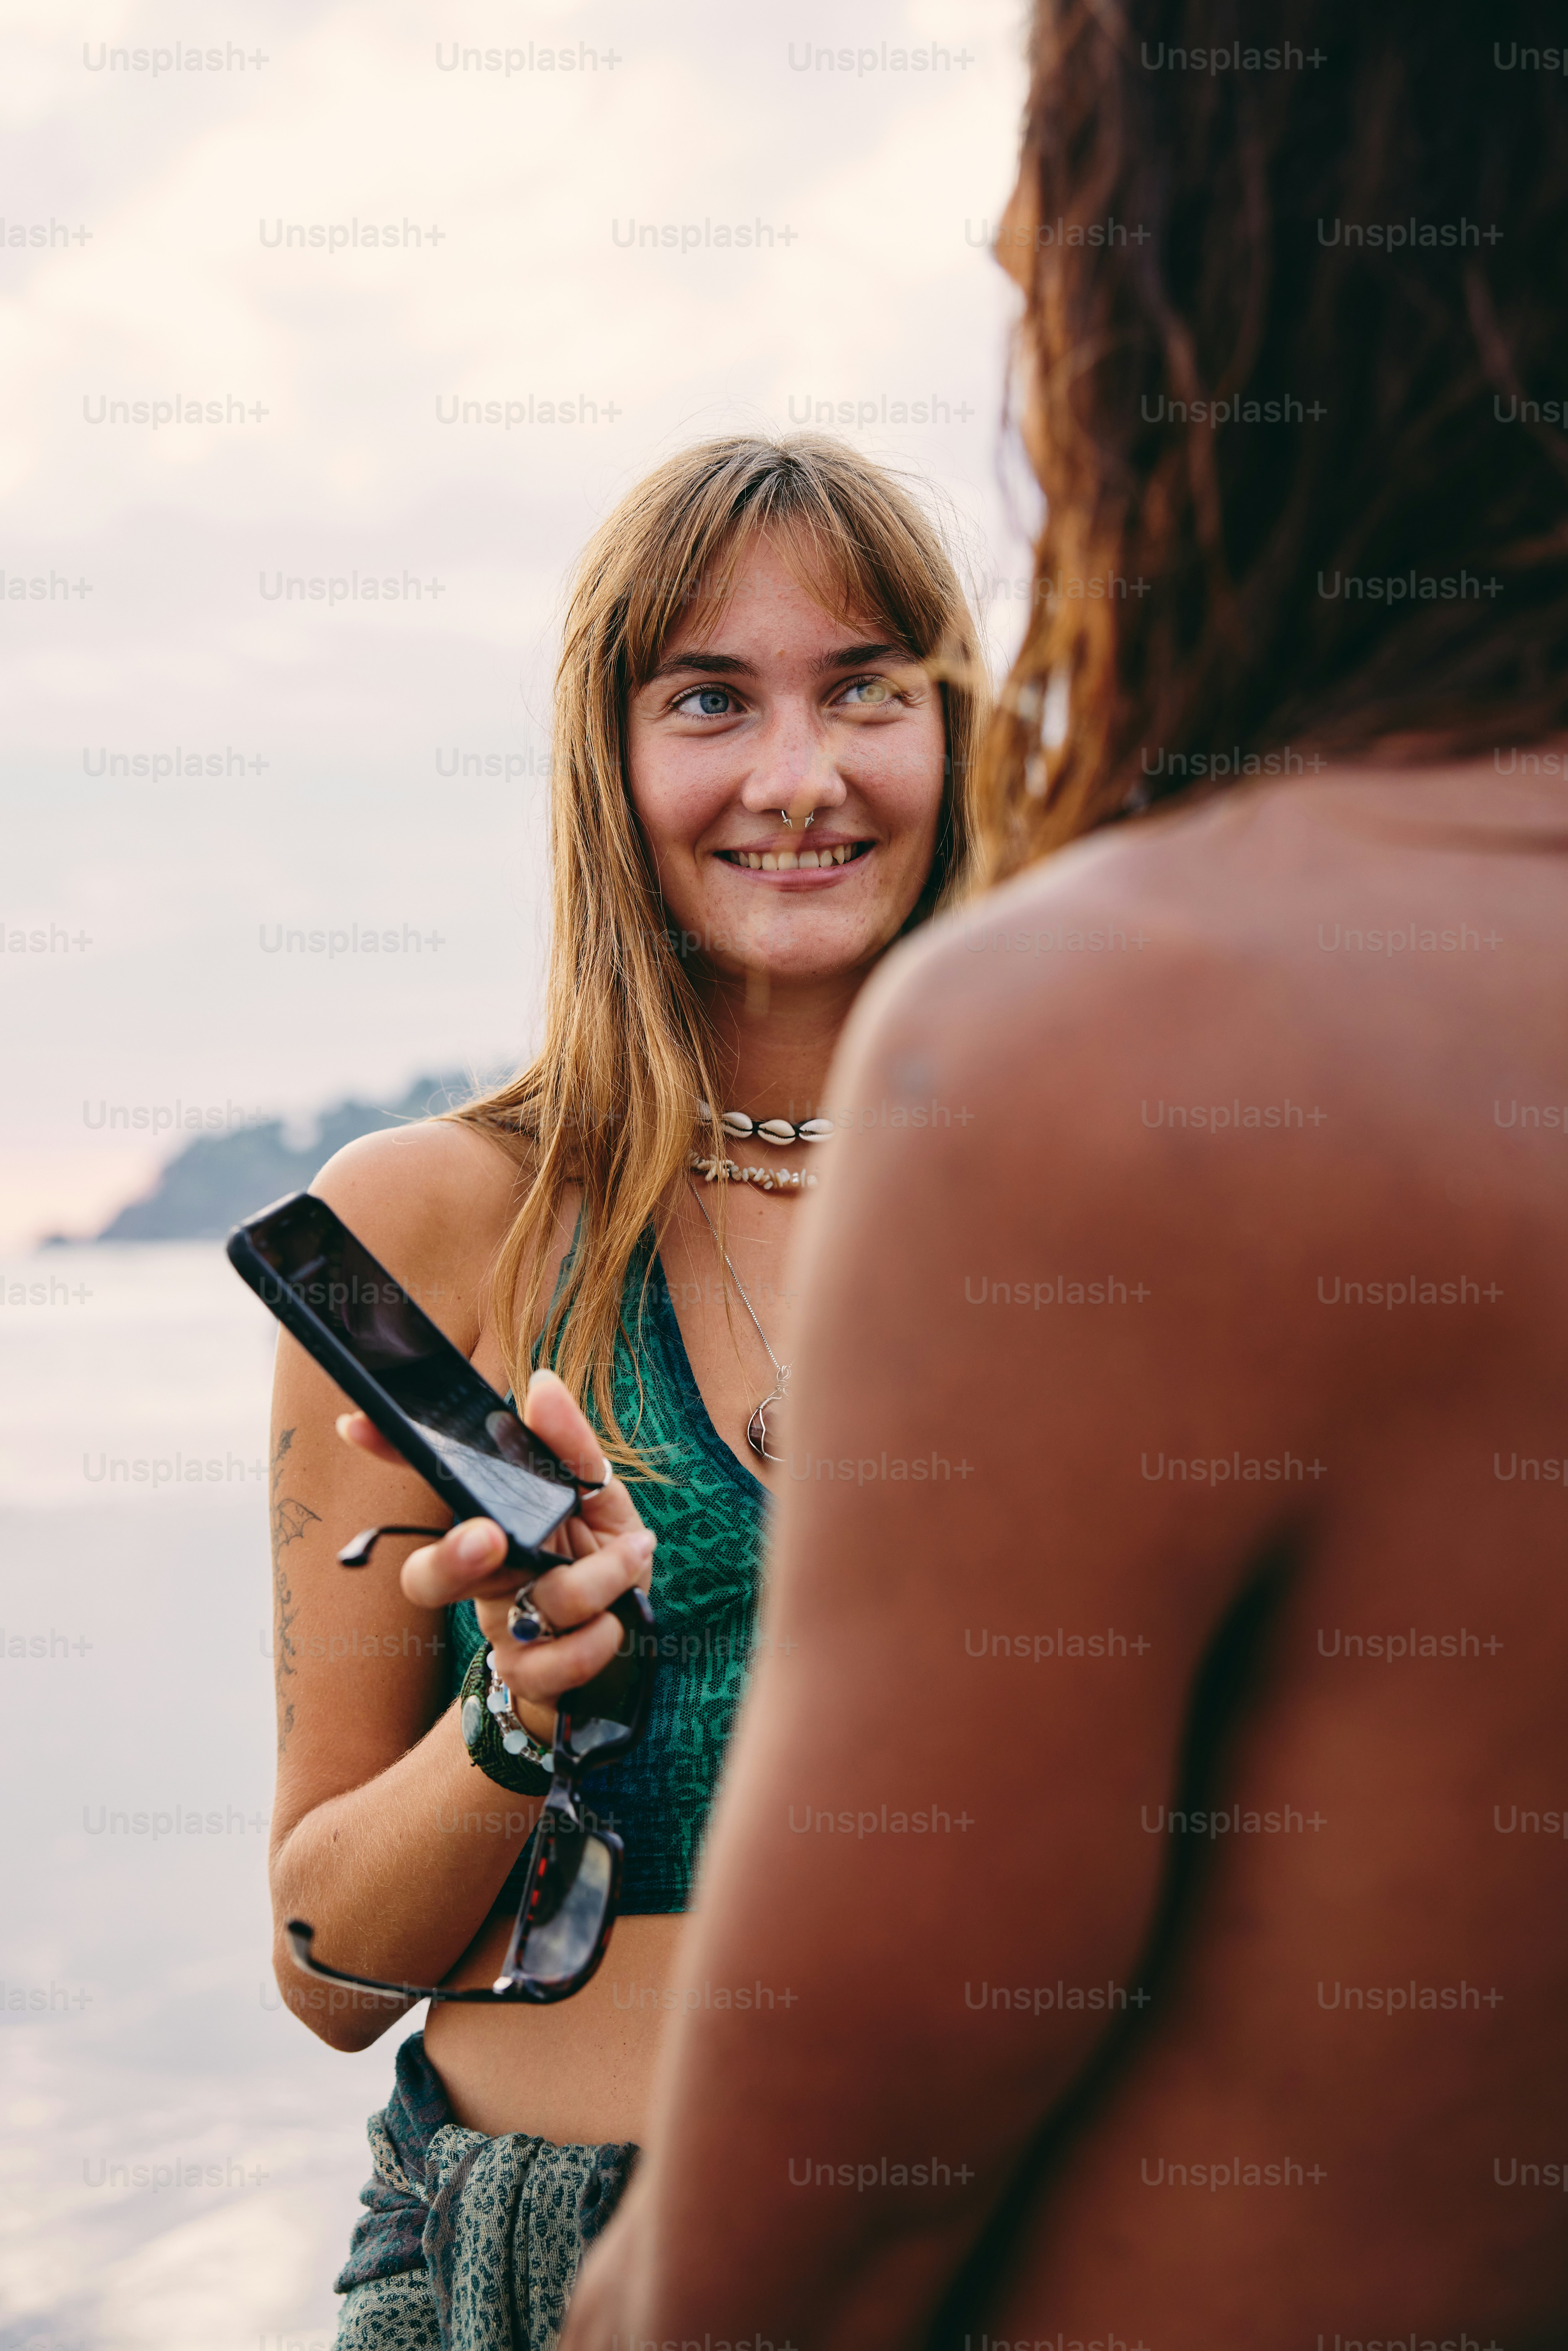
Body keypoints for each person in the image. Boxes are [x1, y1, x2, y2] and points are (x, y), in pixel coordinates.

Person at [561, 8, 1568, 2348]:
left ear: (1201, 279)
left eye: (1054, 180)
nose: (1010, 250)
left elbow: (799, 2243)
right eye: (703, 696)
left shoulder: (1129, 1049)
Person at [260, 432, 982, 2348]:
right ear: (615, 764)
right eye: (711, 701)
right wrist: (515, 1708)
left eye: (865, 691)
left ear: (954, 737)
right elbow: (325, 1967)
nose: (799, 775)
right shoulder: (432, 1224)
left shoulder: (1098, 1207)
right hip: (524, 2252)